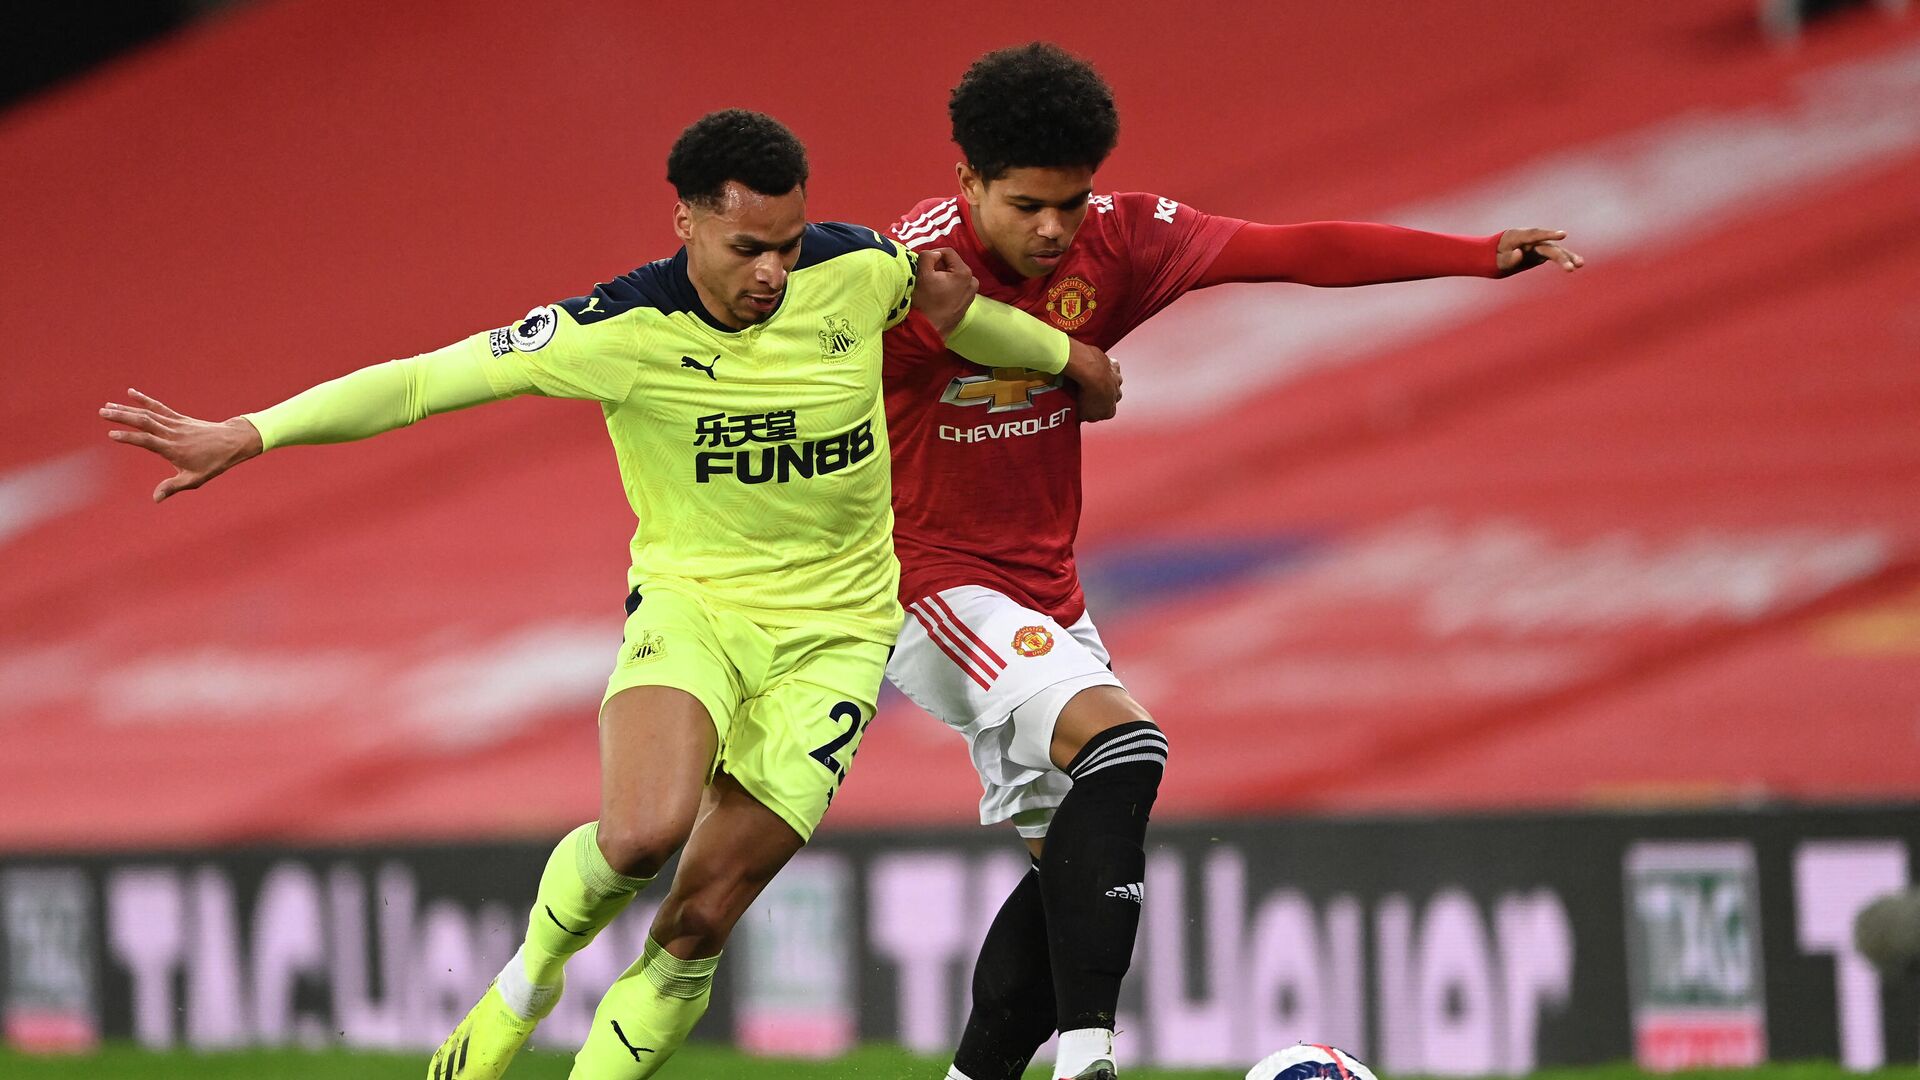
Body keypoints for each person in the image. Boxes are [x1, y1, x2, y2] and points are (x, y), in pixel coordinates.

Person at [99, 108, 1116, 1080]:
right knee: (639, 835)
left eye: (787, 243)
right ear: (686, 222)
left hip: (840, 638)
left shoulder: (858, 270)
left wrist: (1066, 356)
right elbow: (419, 382)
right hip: (695, 611)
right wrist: (252, 432)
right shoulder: (613, 330)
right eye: (746, 246)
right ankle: (525, 983)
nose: (772, 270)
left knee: (698, 919)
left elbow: (958, 314)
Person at [879, 44, 1584, 1080]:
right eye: (1026, 204)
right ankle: (1088, 1063)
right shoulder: (905, 269)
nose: (1051, 230)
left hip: (1044, 589)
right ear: (968, 183)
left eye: (1069, 204)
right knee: (1126, 750)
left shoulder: (1118, 241)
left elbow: (1291, 249)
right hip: (927, 582)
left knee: (1064, 872)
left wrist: (1474, 255)